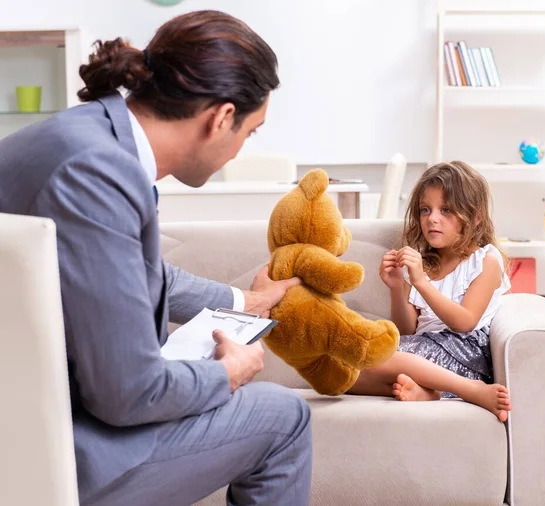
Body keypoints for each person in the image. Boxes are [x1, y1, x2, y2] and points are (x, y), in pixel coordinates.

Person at [0, 11, 312, 506]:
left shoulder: (82, 136)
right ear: (222, 118)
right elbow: (128, 393)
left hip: (28, 422)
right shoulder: (98, 173)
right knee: (284, 418)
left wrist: (246, 301)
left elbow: (130, 272)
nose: (239, 150)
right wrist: (225, 374)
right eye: (250, 133)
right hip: (50, 451)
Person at [349, 161, 513, 422]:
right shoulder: (424, 263)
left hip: (465, 353)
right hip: (424, 351)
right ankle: (430, 391)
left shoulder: (485, 261)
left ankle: (470, 390)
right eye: (425, 209)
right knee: (340, 374)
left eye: (445, 210)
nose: (432, 218)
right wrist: (396, 287)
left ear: (476, 216)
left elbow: (465, 322)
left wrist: (422, 283)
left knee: (378, 358)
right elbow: (407, 330)